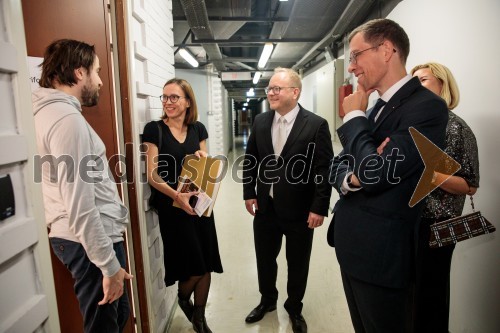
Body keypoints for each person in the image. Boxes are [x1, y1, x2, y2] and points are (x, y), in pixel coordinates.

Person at [328, 19, 448, 332]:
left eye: (355, 56)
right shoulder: (373, 107)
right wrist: (352, 177)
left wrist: (353, 117)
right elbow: (336, 165)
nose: (351, 67)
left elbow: (376, 174)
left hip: (382, 258)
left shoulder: (427, 108)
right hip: (352, 248)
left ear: (386, 50)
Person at [32, 39, 132, 333]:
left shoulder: (44, 113)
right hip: (87, 241)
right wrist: (108, 264)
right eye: (97, 72)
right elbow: (79, 203)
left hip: (84, 238)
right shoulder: (66, 120)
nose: (100, 81)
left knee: (119, 312)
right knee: (103, 325)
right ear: (79, 73)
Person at [243, 67, 334, 333]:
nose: (270, 92)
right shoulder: (261, 122)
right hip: (266, 208)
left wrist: (319, 207)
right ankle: (267, 300)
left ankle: (294, 307)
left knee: (297, 262)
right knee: (264, 258)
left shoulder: (316, 124)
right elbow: (250, 162)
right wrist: (249, 192)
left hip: (300, 211)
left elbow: (323, 169)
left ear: (295, 92)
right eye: (269, 88)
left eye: (276, 88)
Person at [142, 78, 223, 333]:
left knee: (206, 262)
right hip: (173, 208)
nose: (168, 102)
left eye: (174, 97)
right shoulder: (154, 129)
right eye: (164, 97)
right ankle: (183, 296)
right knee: (194, 266)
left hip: (199, 205)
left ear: (188, 101)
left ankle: (199, 318)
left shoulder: (198, 128)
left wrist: (204, 158)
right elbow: (152, 175)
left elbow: (203, 165)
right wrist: (176, 196)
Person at [409, 62, 479, 332]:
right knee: (410, 294)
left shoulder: (457, 127)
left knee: (432, 297)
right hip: (408, 220)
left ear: (443, 84)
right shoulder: (416, 125)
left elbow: (470, 185)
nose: (417, 86)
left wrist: (428, 173)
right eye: (413, 81)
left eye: (423, 80)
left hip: (439, 224)